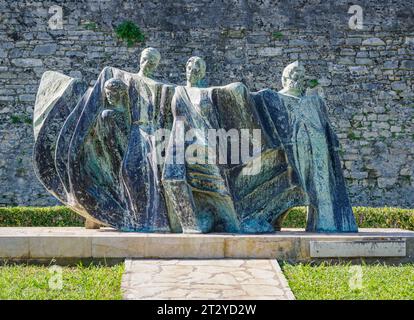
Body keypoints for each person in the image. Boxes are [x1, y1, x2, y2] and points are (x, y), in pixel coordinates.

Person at [162, 56, 240, 233]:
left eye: (198, 66)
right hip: (180, 142)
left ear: (204, 72)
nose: (193, 68)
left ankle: (230, 221)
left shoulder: (209, 92)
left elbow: (228, 93)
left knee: (217, 184)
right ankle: (191, 223)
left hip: (206, 143)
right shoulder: (178, 91)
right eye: (190, 65)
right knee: (175, 180)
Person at [277, 61, 358, 232]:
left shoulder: (315, 102)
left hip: (318, 149)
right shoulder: (274, 98)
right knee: (289, 186)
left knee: (322, 190)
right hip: (290, 150)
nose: (299, 80)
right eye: (294, 76)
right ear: (284, 79)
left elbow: (326, 125)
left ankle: (324, 223)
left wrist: (332, 141)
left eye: (302, 76)